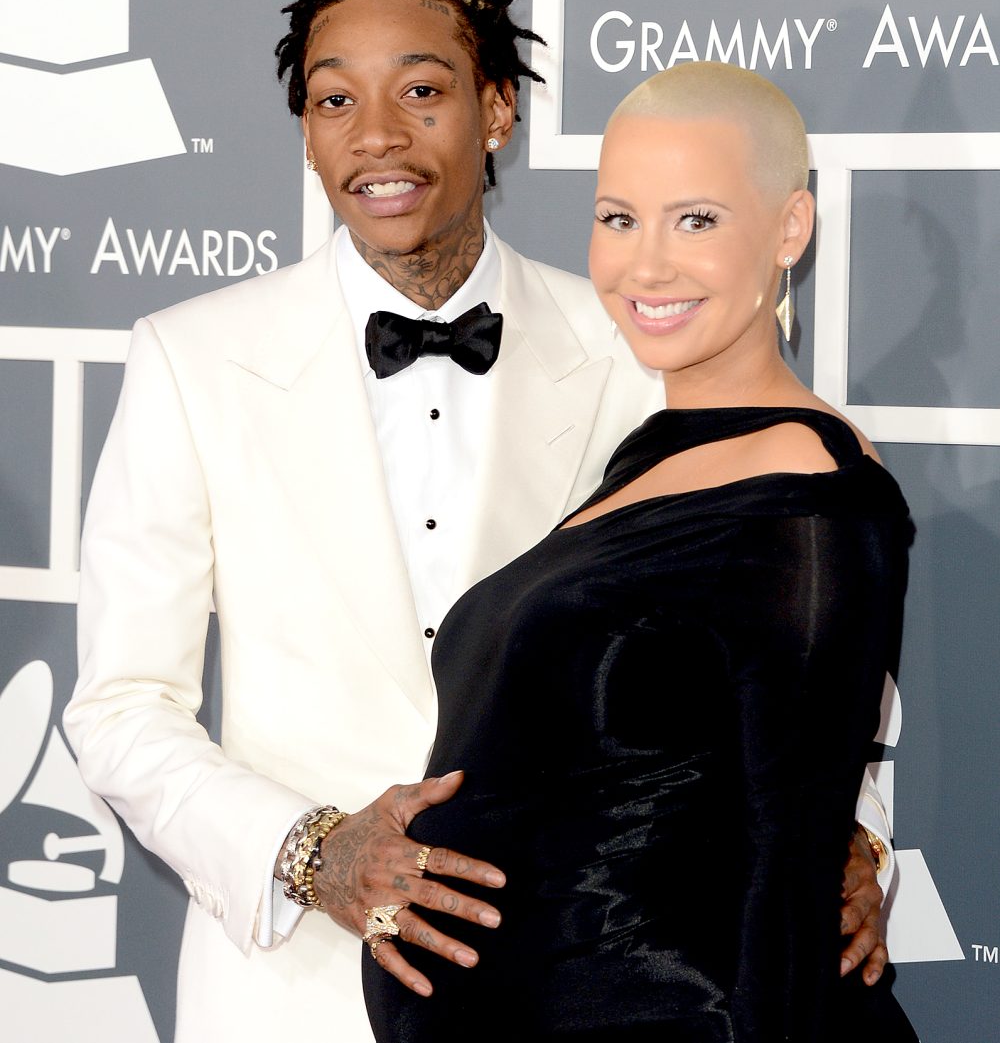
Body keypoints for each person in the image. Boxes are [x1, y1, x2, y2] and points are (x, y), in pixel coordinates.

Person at [63, 0, 892, 1042]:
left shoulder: (636, 342)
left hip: (586, 984)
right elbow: (120, 708)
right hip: (288, 988)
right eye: (333, 101)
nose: (378, 139)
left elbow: (796, 624)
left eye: (421, 90)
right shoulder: (189, 356)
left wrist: (852, 835)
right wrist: (311, 852)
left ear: (497, 107)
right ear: (305, 134)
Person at [362, 62, 917, 1040]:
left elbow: (787, 888)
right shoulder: (643, 458)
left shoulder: (810, 496)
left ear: (788, 228)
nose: (644, 264)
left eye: (694, 220)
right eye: (617, 218)